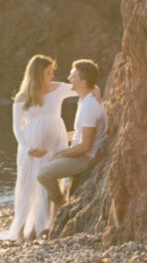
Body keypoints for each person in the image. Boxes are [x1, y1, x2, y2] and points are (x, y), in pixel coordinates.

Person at [0, 54, 75, 242]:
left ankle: (41, 229)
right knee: (28, 186)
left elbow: (83, 89)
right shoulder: (23, 97)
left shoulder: (60, 89)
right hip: (30, 149)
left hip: (55, 146)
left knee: (49, 184)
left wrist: (96, 90)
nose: (53, 76)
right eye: (49, 72)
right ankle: (22, 229)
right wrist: (28, 147)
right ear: (38, 74)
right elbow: (17, 127)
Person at [36, 59, 108, 213]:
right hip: (79, 154)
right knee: (46, 161)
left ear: (82, 82)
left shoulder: (90, 106)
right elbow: (79, 134)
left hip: (85, 159)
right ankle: (50, 218)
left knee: (43, 174)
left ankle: (61, 202)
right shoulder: (85, 99)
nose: (69, 79)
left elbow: (84, 146)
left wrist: (60, 154)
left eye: (72, 76)